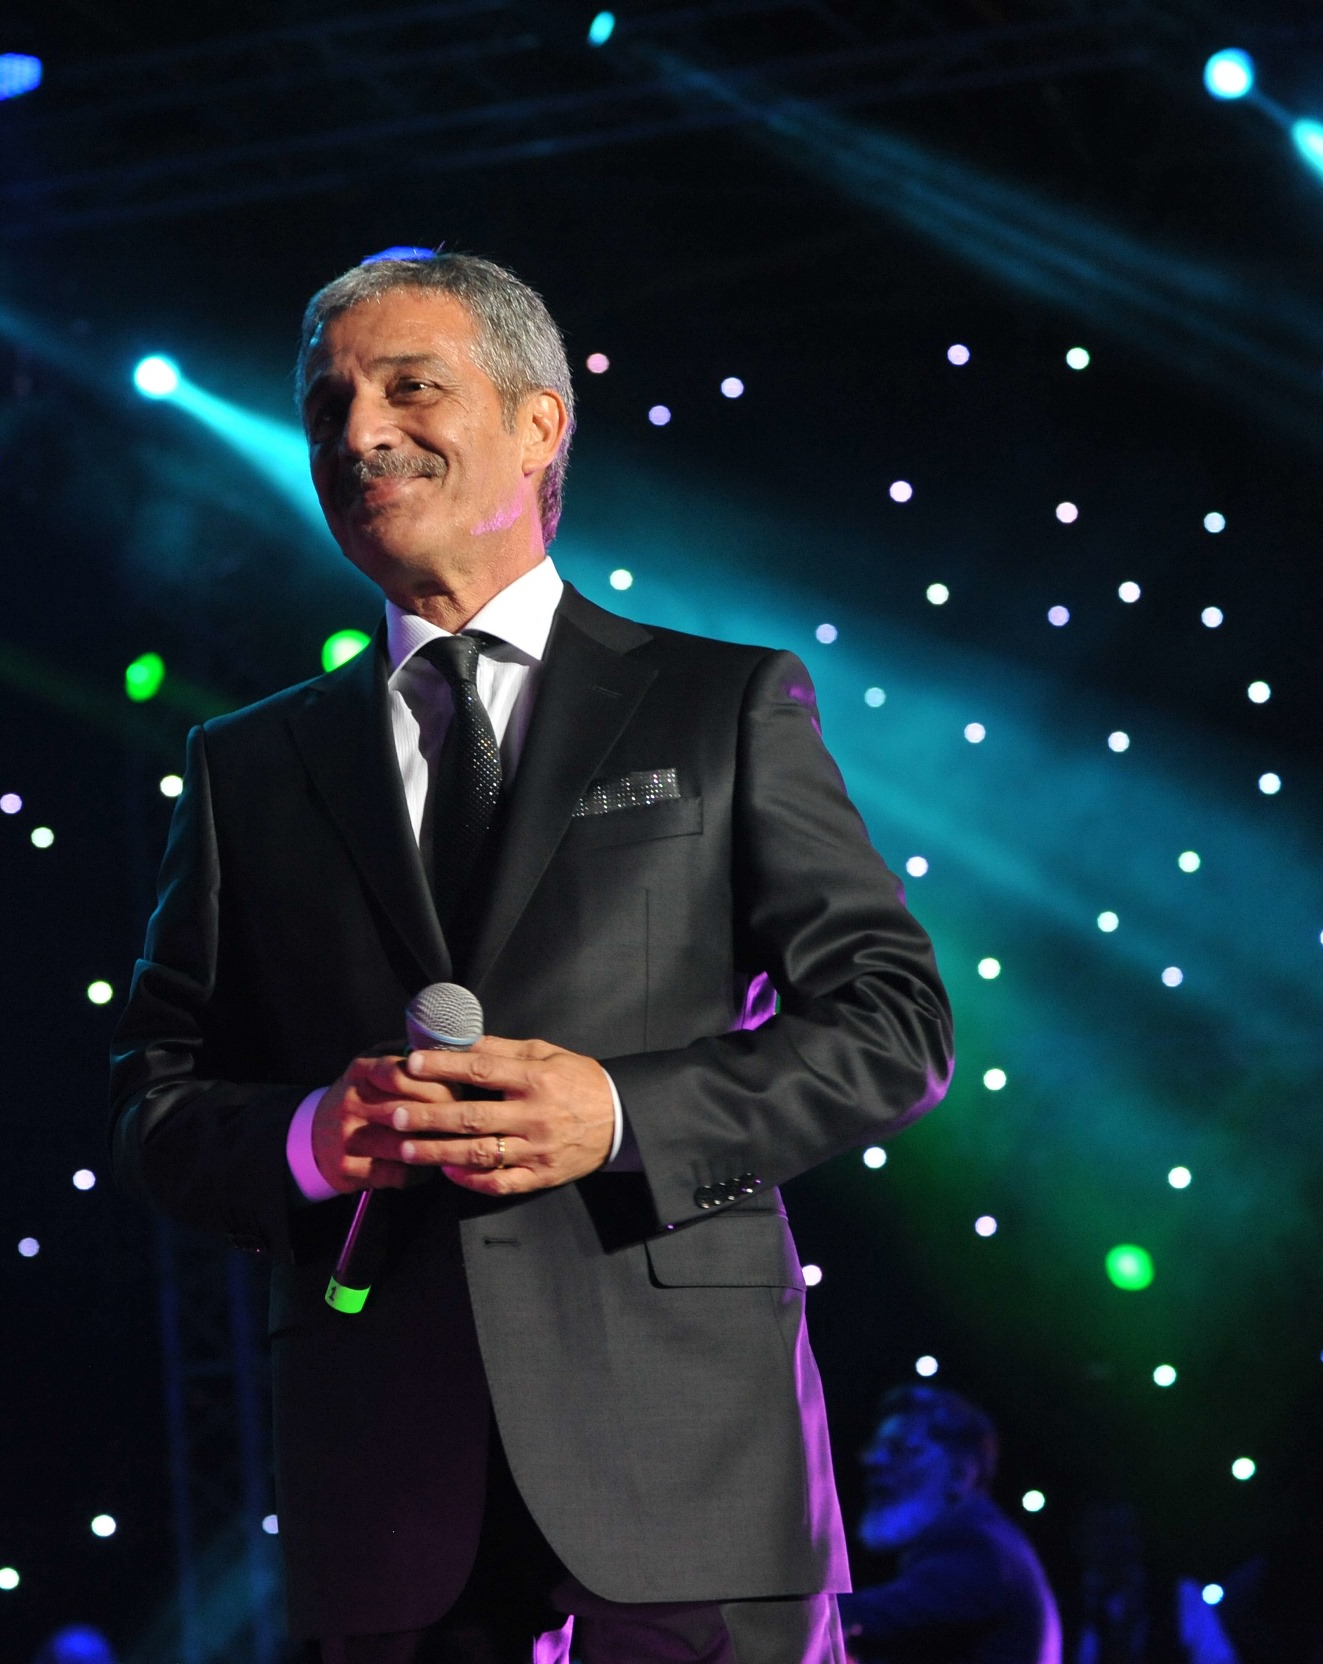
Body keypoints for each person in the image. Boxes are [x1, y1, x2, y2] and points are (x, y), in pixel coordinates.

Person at [111, 253, 954, 1659]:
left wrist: (617, 1111)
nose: (359, 432)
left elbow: (893, 1023)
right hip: (391, 1479)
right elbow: (156, 1096)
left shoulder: (720, 703)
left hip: (690, 1454)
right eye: (327, 406)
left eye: (410, 387)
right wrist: (313, 1138)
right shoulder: (246, 765)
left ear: (538, 422)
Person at [835, 1387, 1060, 1664]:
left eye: (901, 1449)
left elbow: (863, 1616)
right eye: (875, 1447)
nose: (874, 1461)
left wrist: (791, 1605)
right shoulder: (987, 1540)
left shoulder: (977, 1547)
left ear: (960, 1474)